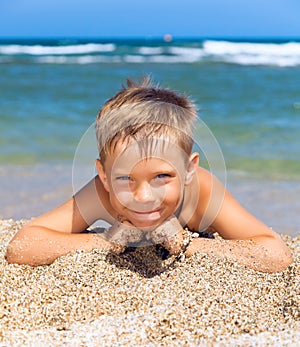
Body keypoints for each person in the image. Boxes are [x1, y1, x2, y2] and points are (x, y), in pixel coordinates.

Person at [6, 77, 293, 272]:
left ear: (189, 169)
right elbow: (23, 246)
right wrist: (107, 240)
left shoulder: (202, 192)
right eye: (124, 179)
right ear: (104, 176)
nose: (143, 197)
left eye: (162, 177)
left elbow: (275, 254)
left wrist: (187, 245)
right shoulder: (101, 193)